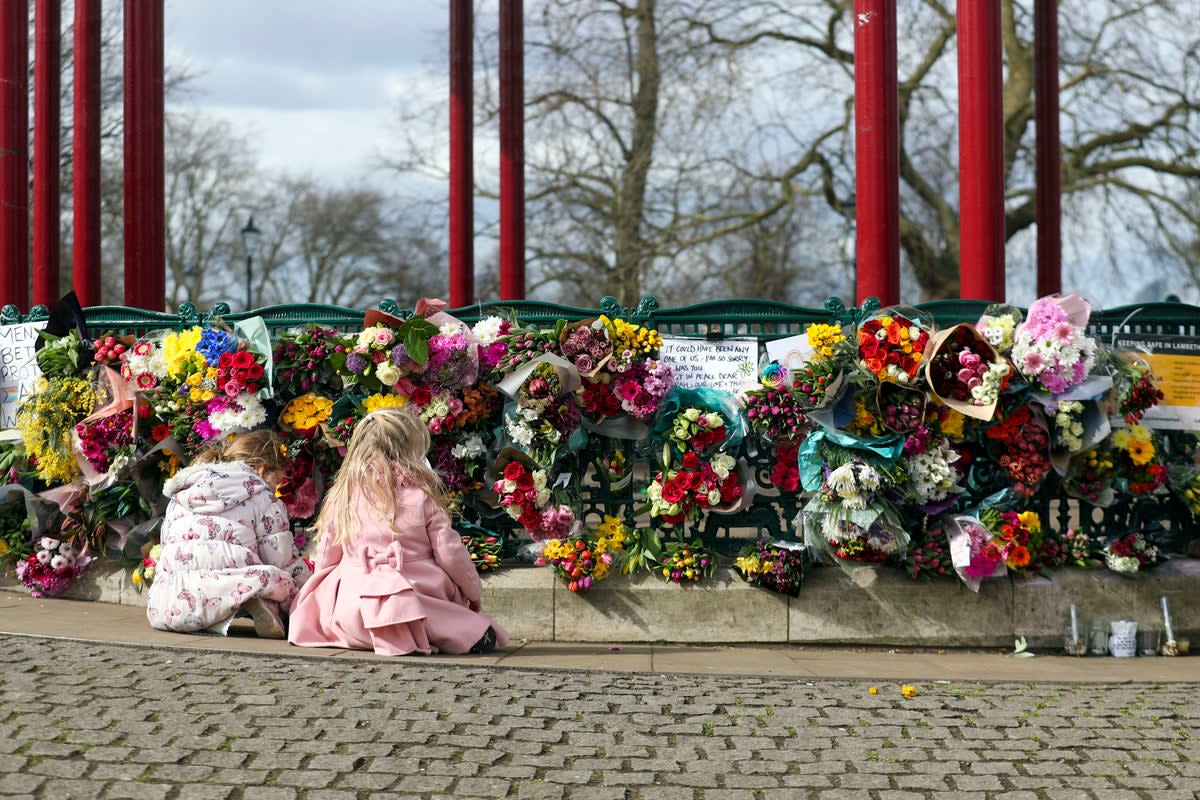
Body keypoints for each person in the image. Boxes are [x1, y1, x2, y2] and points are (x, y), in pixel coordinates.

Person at [288, 407, 509, 656]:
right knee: (453, 620)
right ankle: (439, 630)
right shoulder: (421, 495)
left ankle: (369, 633)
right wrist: (472, 591)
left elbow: (328, 552)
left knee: (343, 594)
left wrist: (323, 589)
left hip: (354, 608)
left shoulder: (343, 494)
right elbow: (450, 553)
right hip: (415, 599)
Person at [146, 430, 312, 638]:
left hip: (169, 601)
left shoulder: (182, 493)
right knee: (277, 578)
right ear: (262, 470)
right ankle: (253, 597)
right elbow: (280, 556)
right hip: (238, 580)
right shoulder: (262, 497)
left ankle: (209, 614)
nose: (275, 486)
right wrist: (306, 593)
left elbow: (166, 547)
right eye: (277, 480)